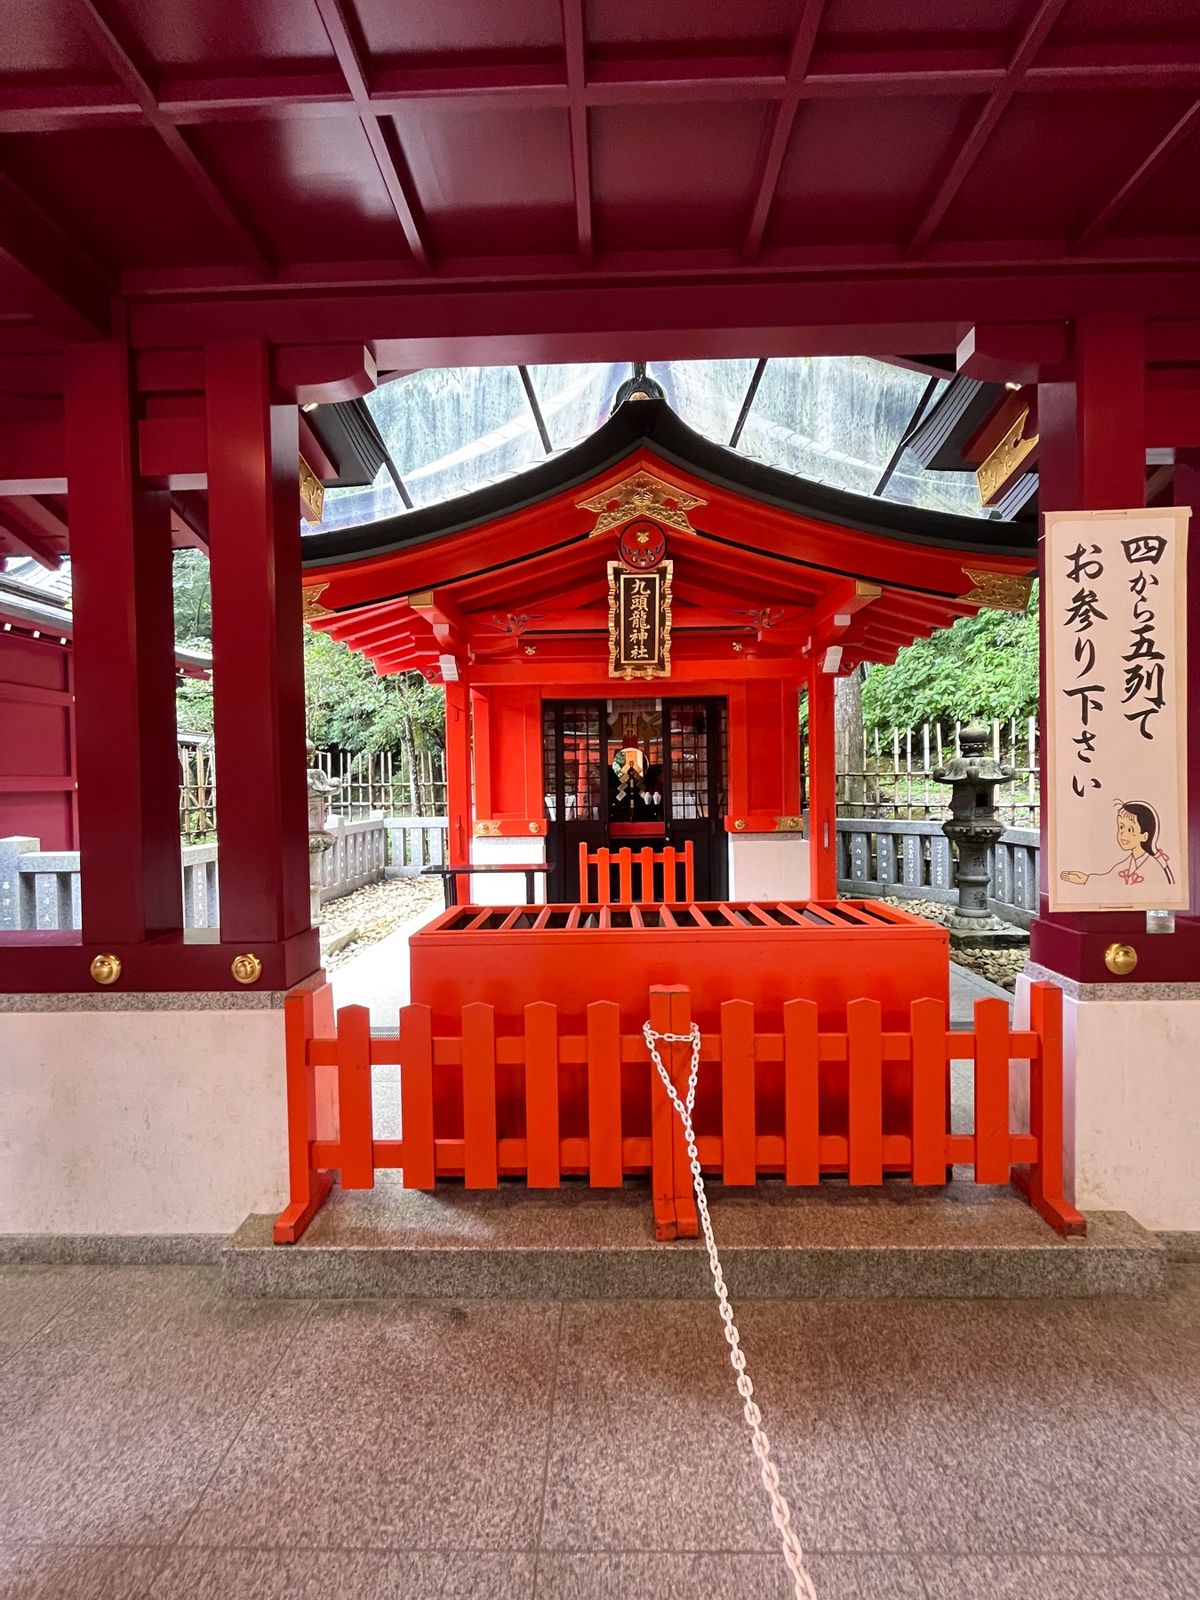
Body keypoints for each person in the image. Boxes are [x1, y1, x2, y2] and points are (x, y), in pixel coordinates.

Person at [1060, 800, 1175, 889]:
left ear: (1144, 836)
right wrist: (1085, 879)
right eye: (1121, 827)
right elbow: (1107, 879)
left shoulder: (1154, 867)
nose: (1123, 834)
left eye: (1130, 829)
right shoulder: (1125, 864)